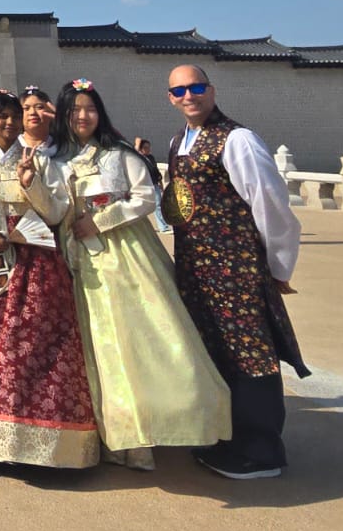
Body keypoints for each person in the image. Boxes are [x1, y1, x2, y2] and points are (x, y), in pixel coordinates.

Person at [52, 79, 229, 470]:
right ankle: (112, 434)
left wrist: (101, 221)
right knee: (97, 350)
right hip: (77, 260)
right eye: (75, 109)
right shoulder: (54, 158)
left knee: (136, 341)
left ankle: (148, 430)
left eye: (90, 108)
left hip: (124, 257)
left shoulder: (119, 153)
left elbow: (145, 198)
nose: (83, 116)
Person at [164, 64, 307, 480]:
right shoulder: (180, 140)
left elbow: (270, 204)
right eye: (179, 91)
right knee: (215, 352)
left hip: (236, 269)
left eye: (196, 87)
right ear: (170, 98)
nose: (189, 96)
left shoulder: (237, 139)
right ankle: (229, 437)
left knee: (251, 356)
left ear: (211, 89)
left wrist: (278, 266)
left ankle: (260, 451)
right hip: (197, 271)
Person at [0, 88, 99, 468]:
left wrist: (31, 182)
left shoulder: (40, 160)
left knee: (39, 346)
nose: (9, 122)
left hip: (36, 261)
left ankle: (48, 444)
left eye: (15, 116)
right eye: (1, 115)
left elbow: (56, 211)